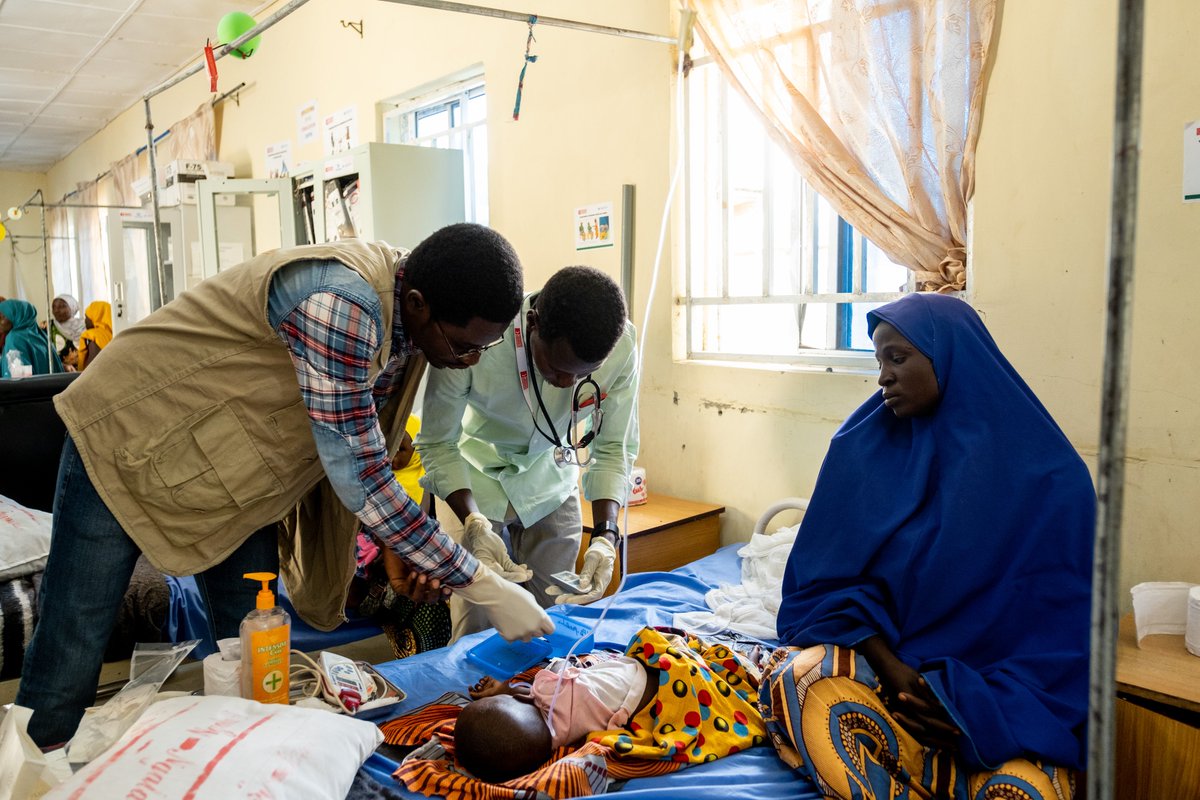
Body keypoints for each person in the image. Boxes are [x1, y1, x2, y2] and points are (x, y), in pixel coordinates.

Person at [17, 224, 554, 748]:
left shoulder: (407, 321)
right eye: (464, 346)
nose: (469, 360)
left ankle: (245, 766)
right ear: (416, 302)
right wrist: (483, 584)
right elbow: (362, 474)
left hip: (230, 478)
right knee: (73, 644)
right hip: (127, 439)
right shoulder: (341, 303)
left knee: (255, 647)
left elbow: (362, 441)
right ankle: (31, 771)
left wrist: (395, 541)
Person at [764, 294, 1095, 800]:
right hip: (890, 685)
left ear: (951, 356)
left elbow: (1060, 644)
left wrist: (971, 713)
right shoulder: (863, 448)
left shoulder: (1055, 482)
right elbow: (824, 585)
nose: (883, 378)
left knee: (1028, 791)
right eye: (879, 362)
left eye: (898, 358)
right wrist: (893, 670)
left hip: (994, 707)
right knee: (800, 682)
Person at [417, 265, 639, 641]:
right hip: (473, 478)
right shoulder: (479, 335)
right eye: (555, 368)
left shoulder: (620, 347)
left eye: (583, 375)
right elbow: (438, 443)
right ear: (532, 323)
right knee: (477, 618)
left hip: (549, 479)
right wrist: (473, 524)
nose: (567, 383)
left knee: (554, 620)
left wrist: (606, 536)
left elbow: (615, 448)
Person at [454, 626, 767, 783]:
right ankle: (745, 664)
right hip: (663, 682)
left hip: (632, 677)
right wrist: (509, 690)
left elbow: (535, 698)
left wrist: (509, 690)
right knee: (667, 648)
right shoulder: (568, 698)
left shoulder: (549, 724)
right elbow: (602, 678)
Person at [0, 299, 62, 378]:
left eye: (2, 317)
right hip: (50, 388)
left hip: (27, 389)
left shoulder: (14, 338)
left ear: (17, 316)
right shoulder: (42, 336)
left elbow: (19, 378)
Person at [75, 300, 112, 371]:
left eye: (86, 317)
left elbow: (91, 368)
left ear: (96, 317)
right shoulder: (113, 334)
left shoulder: (94, 337)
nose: (85, 321)